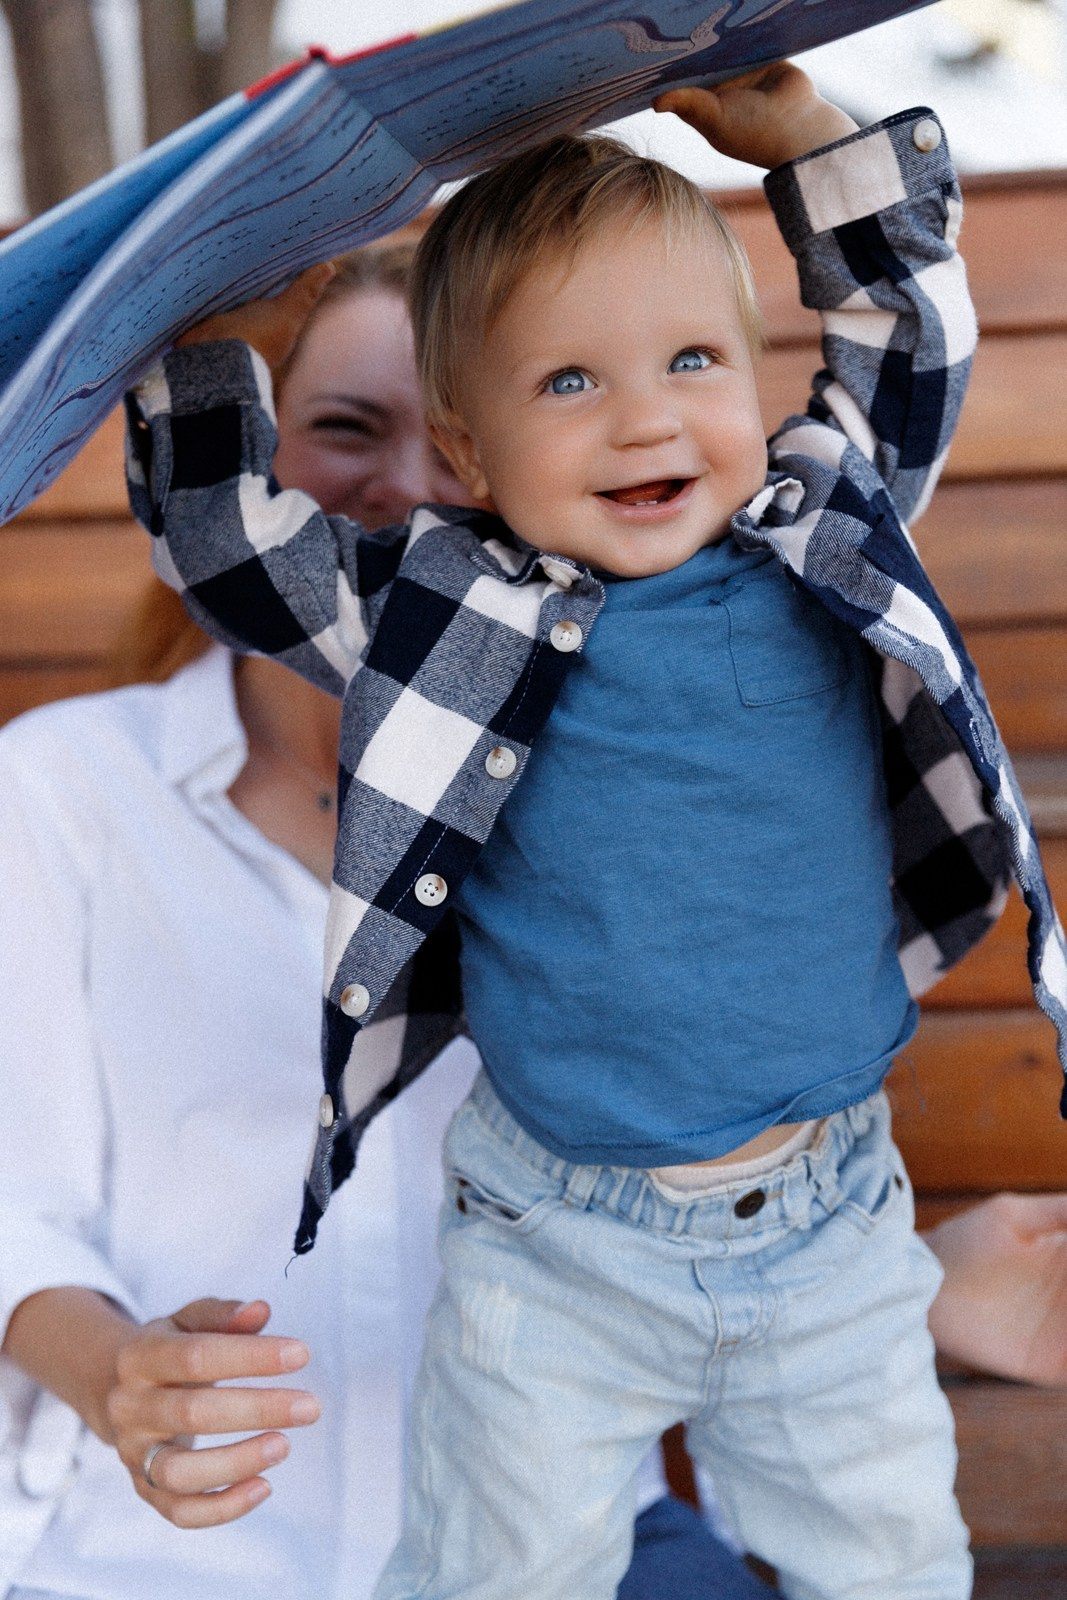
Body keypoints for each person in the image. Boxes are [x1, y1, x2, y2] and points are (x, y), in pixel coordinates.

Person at [122, 58, 1067, 1598]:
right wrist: (228, 326)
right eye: (569, 383)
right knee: (499, 1573)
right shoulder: (437, 615)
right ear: (472, 456)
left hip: (832, 1220)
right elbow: (227, 546)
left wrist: (812, 146)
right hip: (558, 1245)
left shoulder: (819, 533)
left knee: (890, 1566)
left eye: (693, 360)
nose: (644, 421)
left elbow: (905, 346)